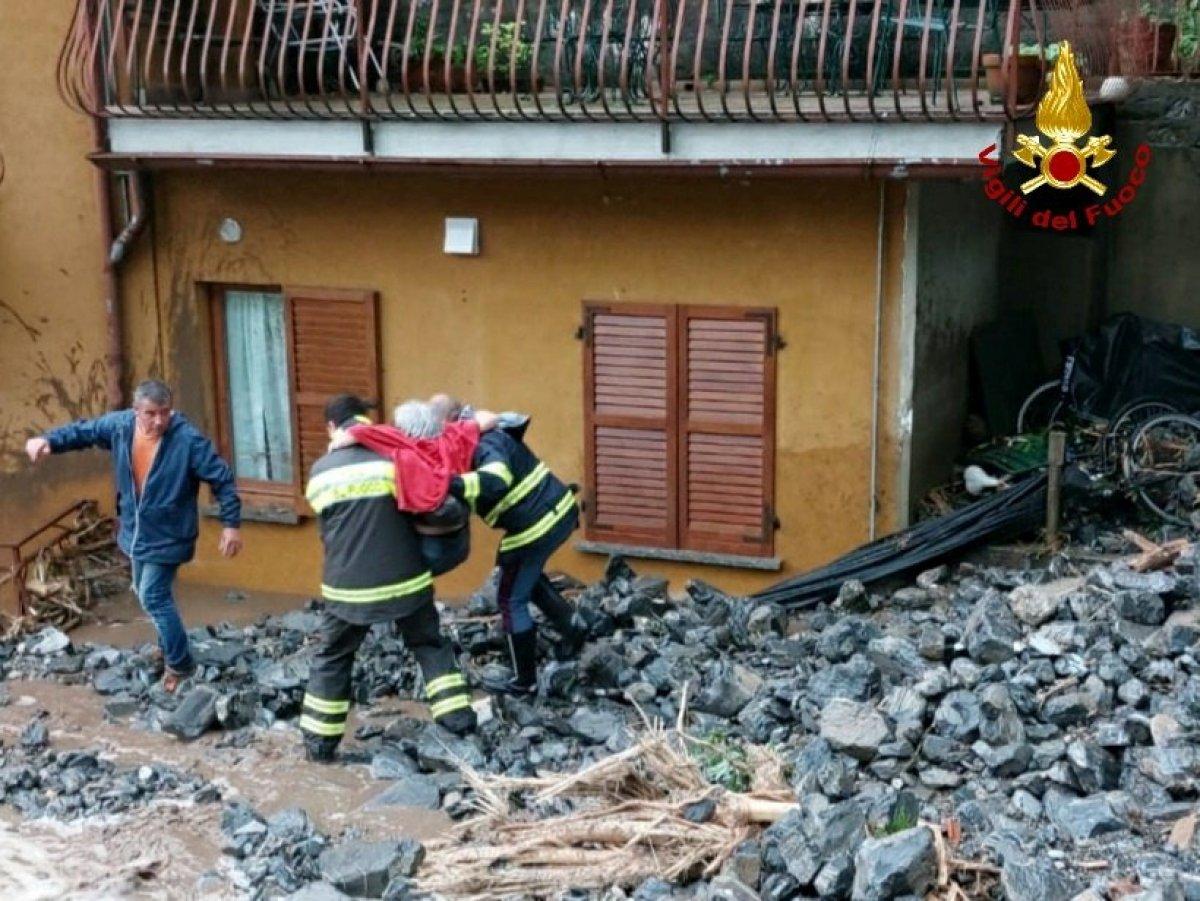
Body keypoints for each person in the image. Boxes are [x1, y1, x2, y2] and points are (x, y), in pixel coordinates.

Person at [25, 379, 242, 692]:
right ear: (136, 411)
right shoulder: (120, 427)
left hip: (170, 535)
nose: (158, 421)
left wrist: (231, 524)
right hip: (135, 533)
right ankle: (168, 645)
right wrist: (49, 441)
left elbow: (221, 479)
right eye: (151, 414)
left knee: (153, 596)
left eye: (164, 413)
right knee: (145, 591)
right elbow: (84, 432)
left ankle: (180, 665)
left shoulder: (188, 441)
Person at [300, 394, 476, 762]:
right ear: (367, 421)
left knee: (333, 656)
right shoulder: (397, 456)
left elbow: (328, 527)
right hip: (405, 582)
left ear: (332, 427)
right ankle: (458, 721)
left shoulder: (320, 472)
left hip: (346, 589)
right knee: (429, 644)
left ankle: (319, 746)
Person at [395, 400, 588, 695]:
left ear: (453, 422)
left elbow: (496, 480)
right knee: (525, 577)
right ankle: (572, 627)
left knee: (510, 598)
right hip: (553, 511)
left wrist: (449, 483)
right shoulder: (482, 436)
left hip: (536, 523)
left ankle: (524, 681)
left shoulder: (484, 442)